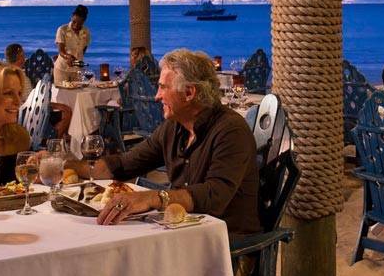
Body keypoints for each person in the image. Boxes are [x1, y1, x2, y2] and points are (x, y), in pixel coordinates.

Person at [67, 49, 261, 240]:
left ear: (189, 92)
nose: (157, 96)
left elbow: (214, 196)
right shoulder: (174, 127)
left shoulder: (231, 130)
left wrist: (154, 197)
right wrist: (65, 165)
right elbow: (124, 165)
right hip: (183, 232)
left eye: (163, 87)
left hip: (225, 242)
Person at [5, 43, 73, 139]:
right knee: (67, 111)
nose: (24, 57)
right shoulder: (21, 77)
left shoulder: (6, 73)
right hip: (30, 117)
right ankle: (52, 142)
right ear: (20, 55)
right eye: (23, 54)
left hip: (18, 113)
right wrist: (56, 105)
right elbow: (33, 102)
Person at [54, 5, 91, 85]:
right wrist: (68, 57)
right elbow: (61, 51)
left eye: (79, 23)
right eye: (74, 22)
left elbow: (84, 49)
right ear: (71, 17)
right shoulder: (62, 29)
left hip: (77, 70)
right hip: (62, 69)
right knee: (62, 94)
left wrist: (79, 58)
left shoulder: (86, 32)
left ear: (84, 21)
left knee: (78, 94)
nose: (76, 25)